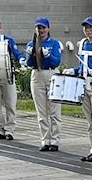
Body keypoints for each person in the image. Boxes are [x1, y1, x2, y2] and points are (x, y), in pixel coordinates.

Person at [69, 16, 92, 162]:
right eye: (86, 28)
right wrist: (74, 71)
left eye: (91, 28)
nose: (88, 30)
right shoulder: (83, 44)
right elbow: (81, 66)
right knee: (90, 121)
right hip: (84, 83)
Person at [25, 17, 63, 151]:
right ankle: (45, 140)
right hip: (37, 74)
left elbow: (56, 62)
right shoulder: (31, 43)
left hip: (51, 74)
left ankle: (55, 140)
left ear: (48, 28)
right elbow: (29, 64)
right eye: (39, 28)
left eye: (43, 27)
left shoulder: (54, 43)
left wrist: (48, 55)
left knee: (54, 110)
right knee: (41, 111)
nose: (41, 30)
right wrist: (30, 55)